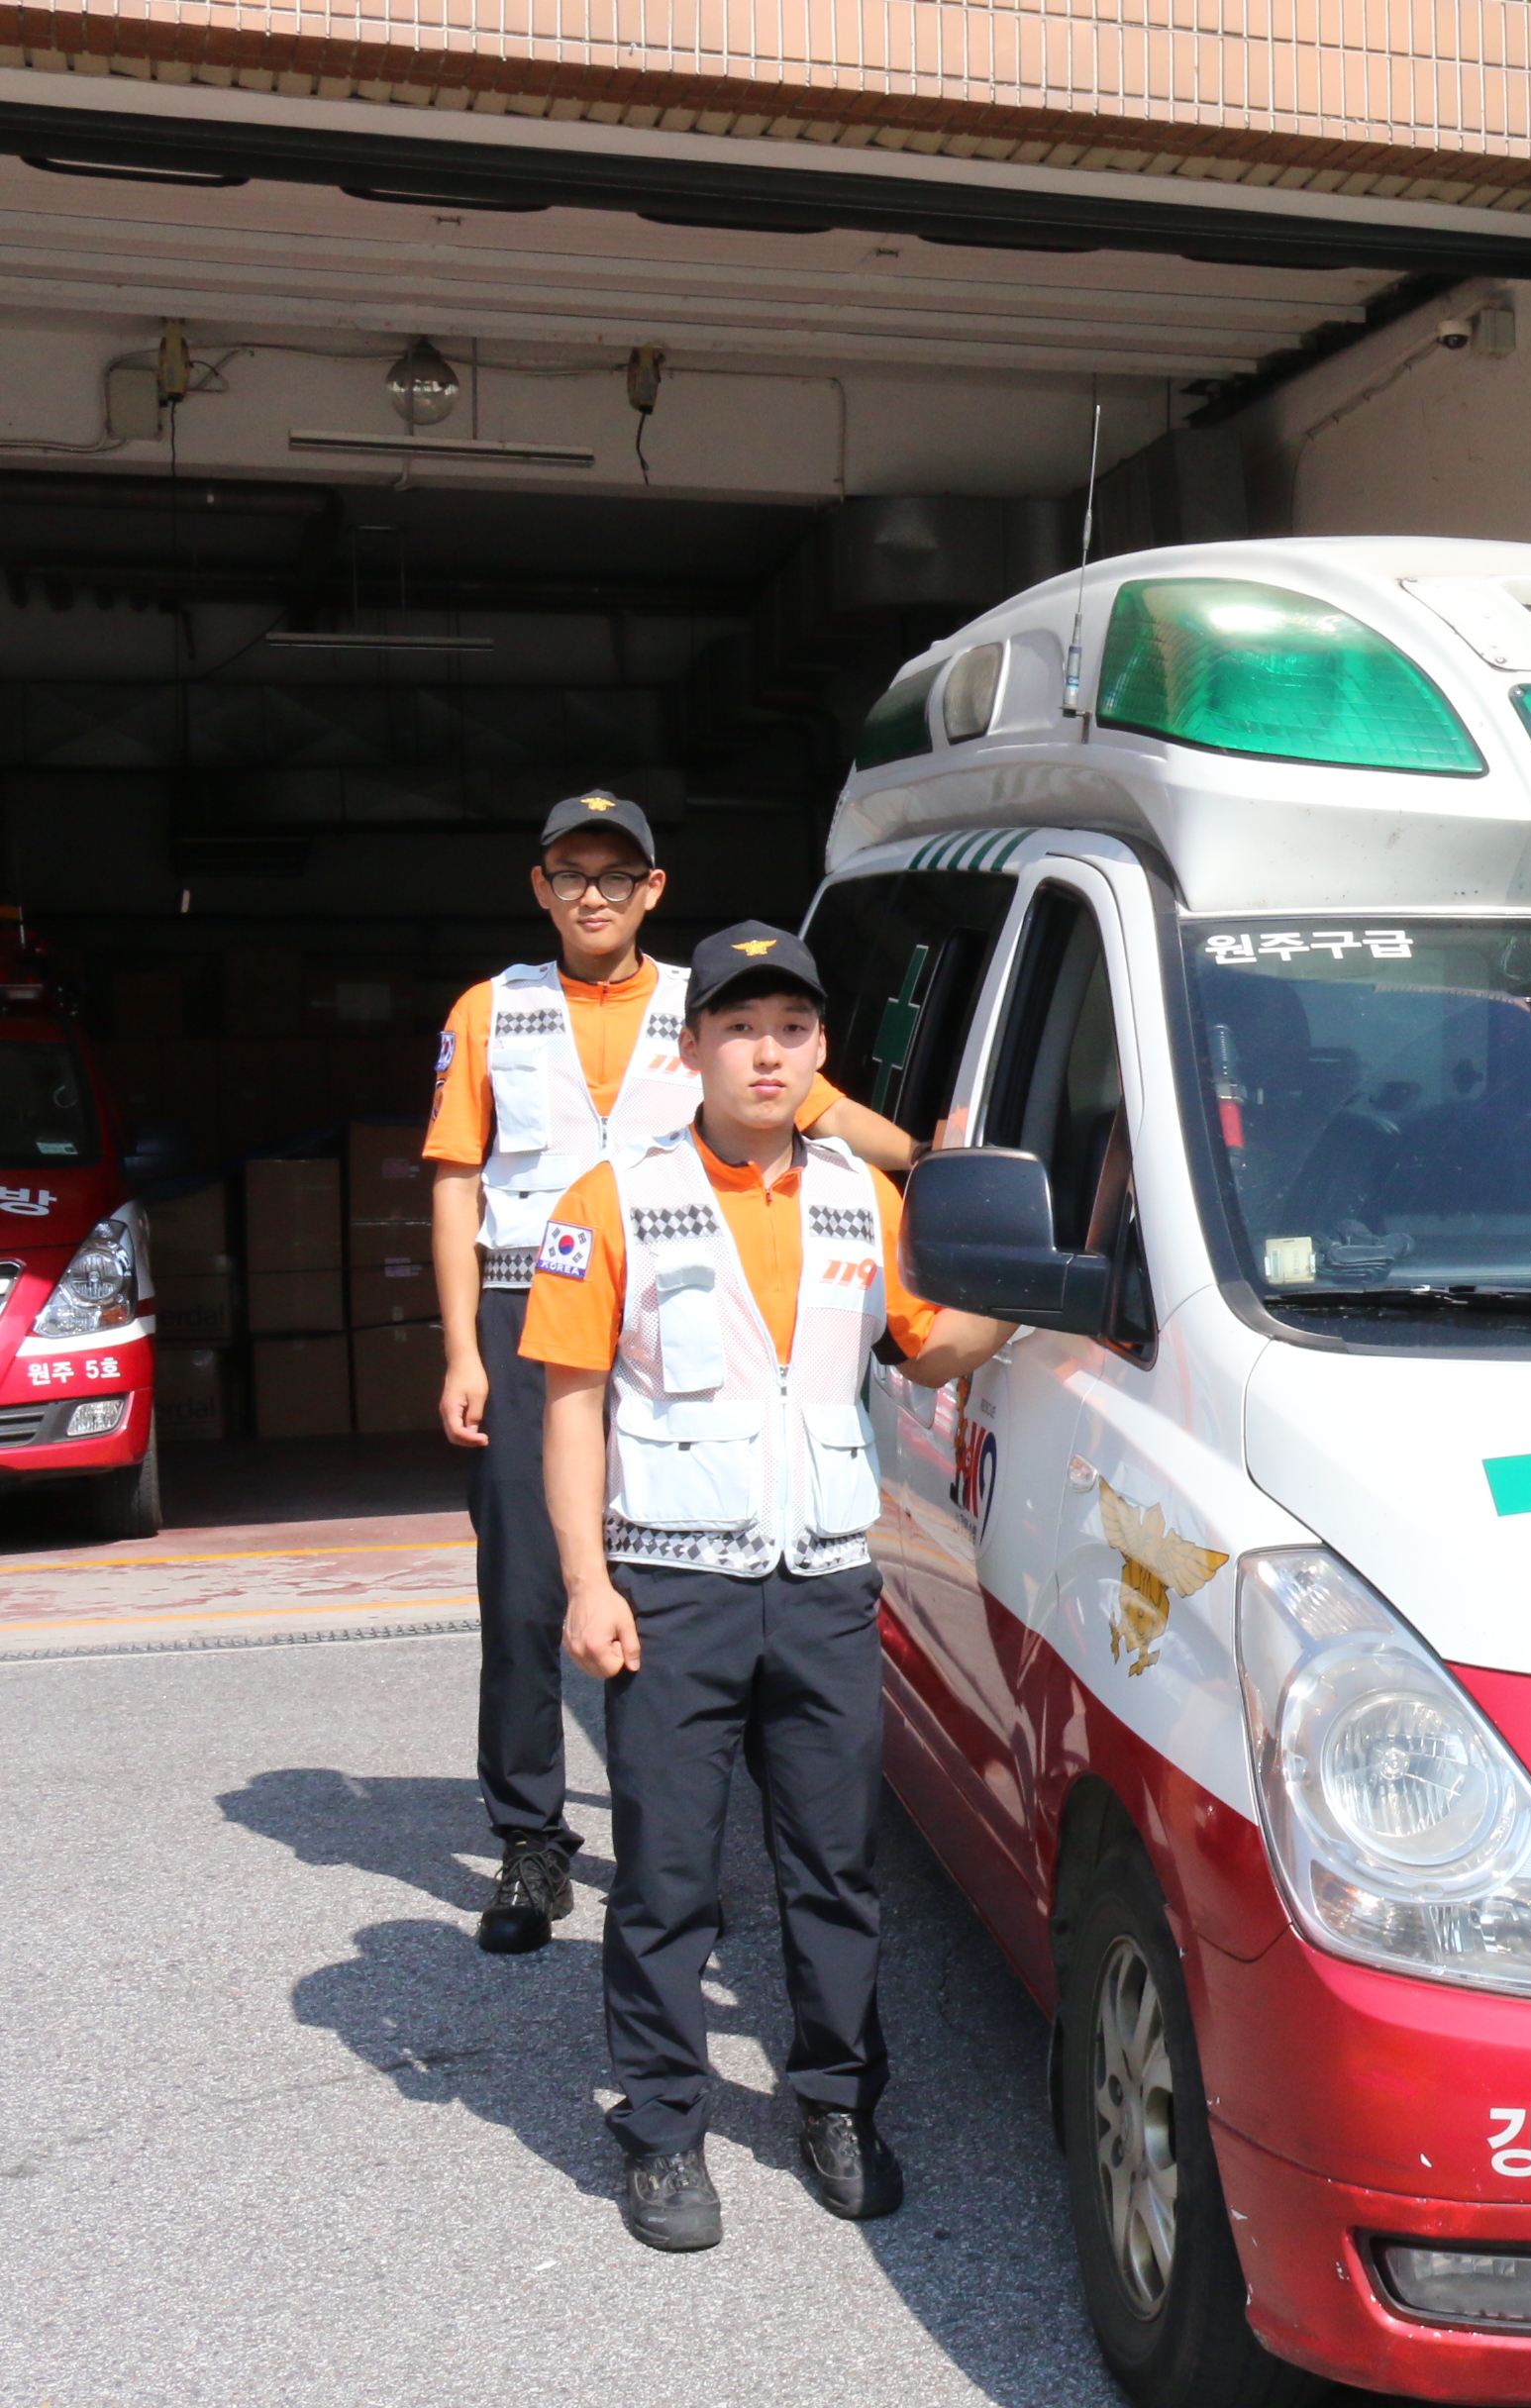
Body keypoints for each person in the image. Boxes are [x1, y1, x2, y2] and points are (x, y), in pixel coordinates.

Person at [522, 923, 1004, 2252]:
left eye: (792, 1028)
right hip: (671, 1589)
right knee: (668, 1875)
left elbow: (931, 1345)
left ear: (822, 1049)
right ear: (692, 1049)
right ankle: (663, 2126)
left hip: (824, 1588)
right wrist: (586, 1583)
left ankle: (838, 2104)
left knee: (836, 1868)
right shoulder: (613, 1200)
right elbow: (570, 1408)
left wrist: (1044, 1282)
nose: (767, 1052)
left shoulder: (864, 1196)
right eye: (739, 1027)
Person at [425, 792, 925, 1956]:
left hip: (673, 1302)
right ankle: (531, 1835)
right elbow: (455, 1178)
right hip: (524, 1301)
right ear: (540, 886)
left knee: (680, 1569)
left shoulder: (707, 1008)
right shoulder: (492, 1008)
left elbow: (824, 1107)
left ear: (653, 888)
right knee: (529, 1583)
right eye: (570, 873)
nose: (592, 894)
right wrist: (460, 1346)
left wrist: (940, 1159)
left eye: (617, 874)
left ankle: (683, 1844)